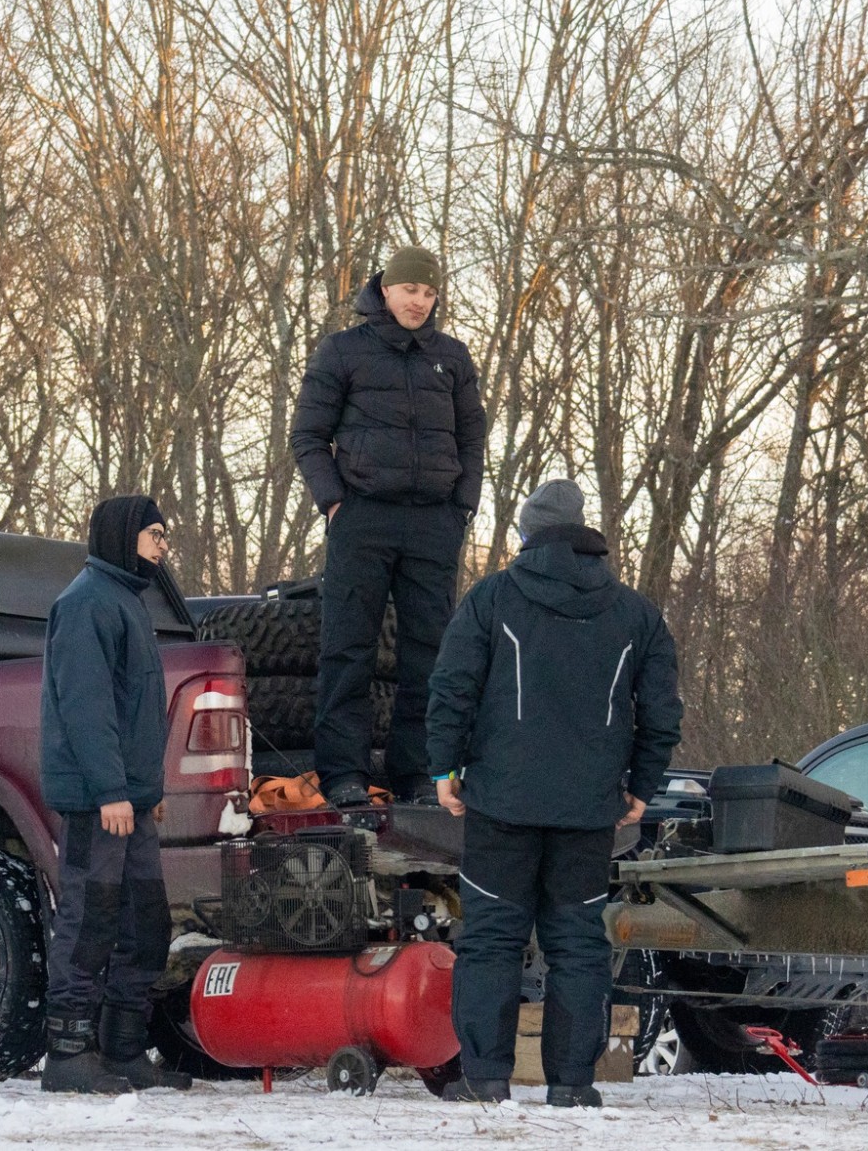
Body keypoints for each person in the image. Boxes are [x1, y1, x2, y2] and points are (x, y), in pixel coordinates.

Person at [426, 479, 683, 1107]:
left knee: (492, 939)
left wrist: (443, 770)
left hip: (500, 804)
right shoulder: (636, 614)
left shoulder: (491, 598)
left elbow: (452, 688)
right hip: (588, 811)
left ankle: (486, 1079)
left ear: (528, 534)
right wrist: (641, 788)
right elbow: (661, 714)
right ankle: (572, 1084)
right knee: (578, 945)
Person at [291, 245, 487, 807]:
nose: (419, 301)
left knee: (431, 653)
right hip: (362, 518)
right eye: (409, 290)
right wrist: (335, 504)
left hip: (433, 522)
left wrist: (462, 507)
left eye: (428, 292)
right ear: (385, 290)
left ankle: (419, 773)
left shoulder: (452, 357)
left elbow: (472, 437)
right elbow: (307, 435)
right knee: (348, 648)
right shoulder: (343, 350)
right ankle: (343, 775)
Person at [38, 495, 192, 1094]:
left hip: (131, 800)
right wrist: (109, 790)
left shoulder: (126, 601)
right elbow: (87, 708)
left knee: (145, 922)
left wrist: (147, 791)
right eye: (156, 535)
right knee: (89, 920)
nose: (163, 547)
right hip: (96, 802)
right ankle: (68, 1054)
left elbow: (136, 711)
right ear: (125, 537)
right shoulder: (85, 603)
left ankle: (124, 1048)